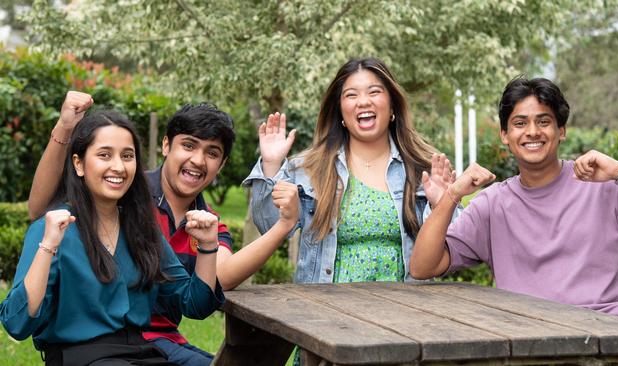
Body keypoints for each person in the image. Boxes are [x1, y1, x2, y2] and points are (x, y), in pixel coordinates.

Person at [27, 92, 300, 366]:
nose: (198, 160)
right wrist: (64, 127)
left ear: (222, 164)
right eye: (189, 145)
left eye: (212, 153)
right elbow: (41, 210)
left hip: (160, 343)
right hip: (106, 341)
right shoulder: (124, 193)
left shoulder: (207, 222)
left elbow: (219, 278)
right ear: (166, 145)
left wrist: (283, 224)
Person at [410, 77, 618, 324]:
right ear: (505, 134)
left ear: (562, 130)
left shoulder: (602, 185)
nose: (533, 131)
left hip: (615, 331)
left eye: (544, 121)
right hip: (532, 337)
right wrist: (451, 196)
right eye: (520, 123)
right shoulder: (493, 205)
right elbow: (422, 268)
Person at [1, 110, 224, 365]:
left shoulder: (143, 229)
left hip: (142, 352)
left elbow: (195, 304)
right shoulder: (53, 228)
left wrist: (208, 245)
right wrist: (48, 246)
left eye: (127, 156)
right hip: (80, 357)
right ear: (79, 163)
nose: (118, 166)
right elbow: (17, 323)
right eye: (104, 155)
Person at [243, 57, 454, 285]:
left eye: (374, 92)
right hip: (328, 313)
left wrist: (442, 204)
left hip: (406, 313)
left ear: (392, 105)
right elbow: (268, 226)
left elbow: (457, 242)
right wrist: (272, 165)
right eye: (351, 95)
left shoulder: (423, 168)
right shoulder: (311, 168)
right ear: (340, 111)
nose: (363, 102)